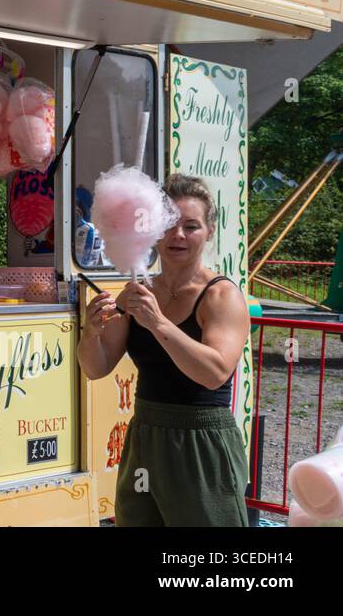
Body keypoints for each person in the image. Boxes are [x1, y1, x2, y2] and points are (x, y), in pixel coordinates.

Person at [76, 173, 252, 526]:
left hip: (201, 441)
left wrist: (158, 323)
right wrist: (91, 331)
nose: (179, 236)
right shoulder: (139, 290)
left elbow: (215, 373)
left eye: (192, 226)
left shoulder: (221, 295)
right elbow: (96, 367)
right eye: (170, 224)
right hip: (146, 436)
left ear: (209, 232)